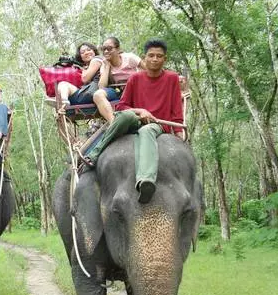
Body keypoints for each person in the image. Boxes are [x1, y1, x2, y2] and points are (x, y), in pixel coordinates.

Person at [82, 39, 184, 204]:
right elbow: (122, 107)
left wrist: (179, 135)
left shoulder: (172, 78)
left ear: (164, 59)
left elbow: (177, 110)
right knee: (125, 116)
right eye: (151, 55)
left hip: (157, 123)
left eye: (159, 56)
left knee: (147, 130)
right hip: (136, 119)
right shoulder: (135, 79)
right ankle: (96, 152)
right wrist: (140, 111)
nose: (155, 59)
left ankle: (146, 180)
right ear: (145, 58)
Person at [92, 36, 143, 122]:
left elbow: (148, 69)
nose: (106, 51)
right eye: (103, 49)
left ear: (118, 49)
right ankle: (114, 123)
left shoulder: (129, 58)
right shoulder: (104, 63)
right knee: (98, 94)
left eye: (109, 48)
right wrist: (107, 66)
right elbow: (101, 86)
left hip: (135, 90)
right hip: (118, 91)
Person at [56, 42, 116, 111]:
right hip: (87, 93)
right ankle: (64, 101)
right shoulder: (86, 66)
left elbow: (85, 79)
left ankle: (63, 102)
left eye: (89, 50)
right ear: (80, 56)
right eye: (83, 52)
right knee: (63, 85)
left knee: (62, 84)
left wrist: (83, 69)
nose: (86, 53)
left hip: (93, 93)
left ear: (94, 51)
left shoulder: (96, 60)